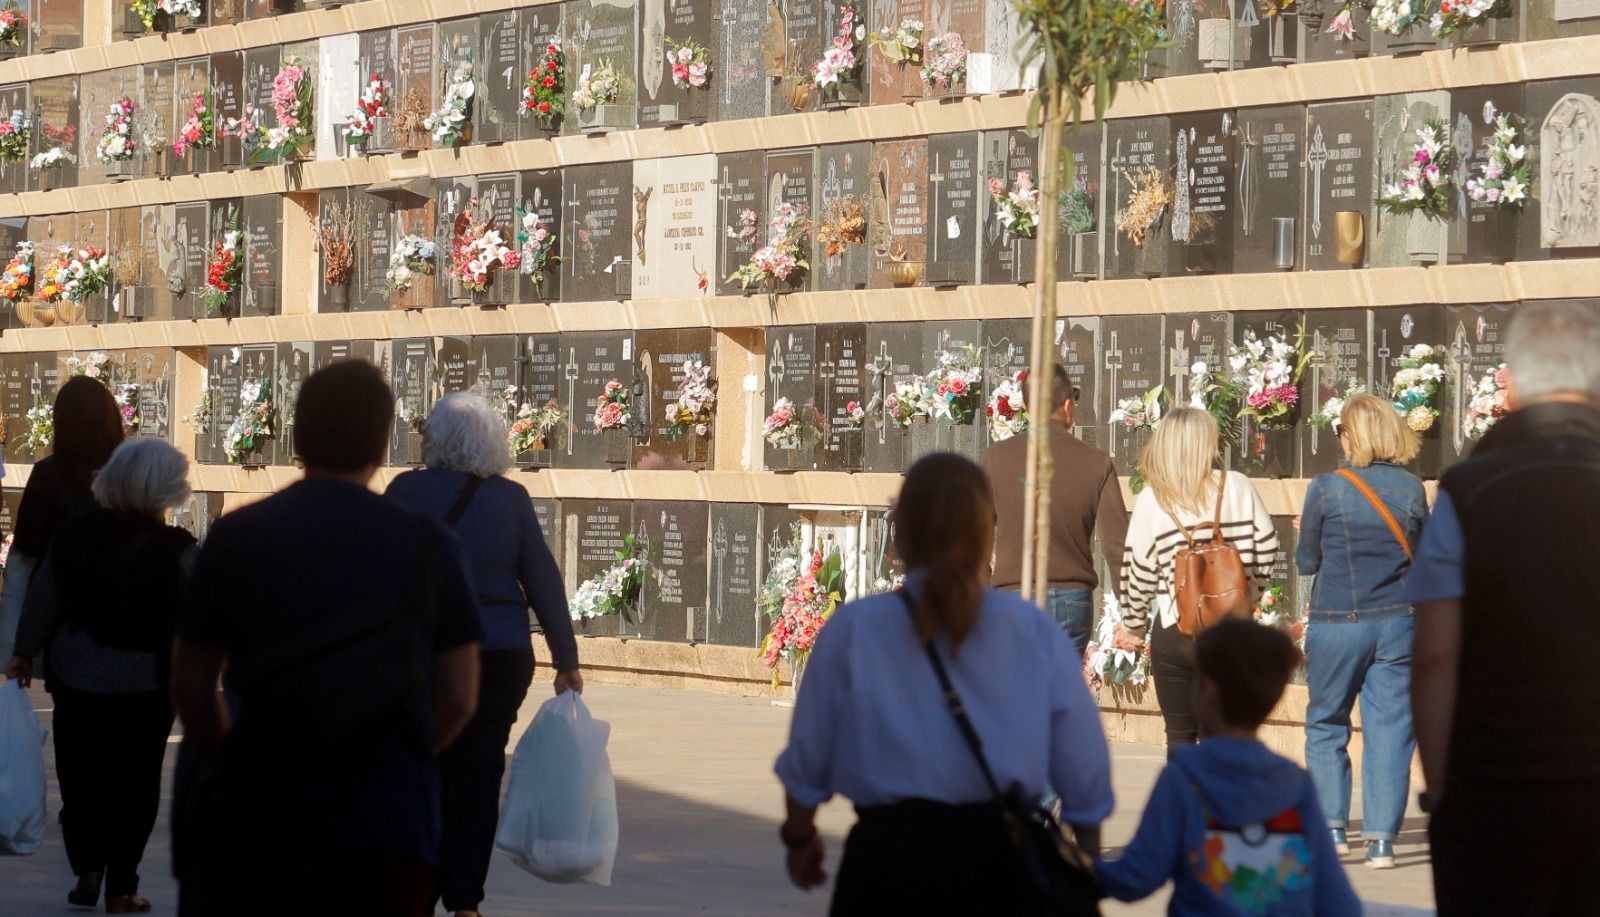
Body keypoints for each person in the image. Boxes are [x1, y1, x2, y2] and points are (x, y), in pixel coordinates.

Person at [170, 360, 484, 917]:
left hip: (264, 807)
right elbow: (460, 694)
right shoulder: (429, 544)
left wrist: (230, 761)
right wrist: (401, 757)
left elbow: (192, 682)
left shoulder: (237, 537)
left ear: (297, 435)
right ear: (383, 442)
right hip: (385, 821)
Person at [774, 453, 1113, 913]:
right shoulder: (1033, 633)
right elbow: (1082, 764)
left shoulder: (856, 630)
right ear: (987, 534)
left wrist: (800, 837)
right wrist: (1084, 865)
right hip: (998, 870)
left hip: (885, 868)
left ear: (900, 532)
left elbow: (809, 753)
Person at [1409, 301, 1600, 915]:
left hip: (1495, 778)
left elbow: (1436, 651)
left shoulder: (1468, 490)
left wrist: (1439, 789)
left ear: (1512, 382)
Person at [385, 393, 583, 917]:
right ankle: (466, 899)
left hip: (426, 650)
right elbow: (541, 578)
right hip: (499, 652)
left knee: (423, 770)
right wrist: (566, 658)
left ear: (442, 439)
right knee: (477, 772)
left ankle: (419, 891)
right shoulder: (511, 499)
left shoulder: (404, 491)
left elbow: (380, 571)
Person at [5, 439, 196, 913]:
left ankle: (87, 868)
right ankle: (122, 886)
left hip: (76, 673)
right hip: (148, 680)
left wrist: (24, 652)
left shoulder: (72, 536)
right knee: (136, 782)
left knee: (80, 775)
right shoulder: (179, 549)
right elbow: (202, 612)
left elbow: (45, 597)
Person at [1097, 619, 1361, 915]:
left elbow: (1137, 876)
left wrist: (1069, 865)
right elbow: (1338, 901)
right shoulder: (1296, 785)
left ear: (1207, 690)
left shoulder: (1185, 777)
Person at [1296, 392, 1426, 870]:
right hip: (1397, 624)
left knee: (1327, 721)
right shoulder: (1412, 490)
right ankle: (1382, 842)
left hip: (1336, 622)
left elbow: (1306, 561)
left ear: (1352, 436)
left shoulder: (1327, 488)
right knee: (1390, 729)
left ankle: (1332, 828)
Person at [1117, 407, 1277, 753]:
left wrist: (1133, 625)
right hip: (1231, 631)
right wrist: (1248, 595)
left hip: (1176, 628)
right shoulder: (1237, 487)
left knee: (1180, 737)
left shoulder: (1152, 499)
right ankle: (1223, 806)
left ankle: (1185, 806)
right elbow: (1267, 546)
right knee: (1227, 738)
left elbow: (1138, 570)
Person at [981, 364, 1128, 657]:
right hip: (1072, 599)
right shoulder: (1096, 462)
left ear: (1024, 406)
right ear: (1067, 405)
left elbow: (973, 534)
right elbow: (1117, 547)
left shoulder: (995, 458)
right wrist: (1133, 615)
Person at [0, 376, 124, 665]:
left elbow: (25, 555)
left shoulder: (49, 474)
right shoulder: (129, 470)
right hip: (124, 617)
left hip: (64, 621)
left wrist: (17, 645)